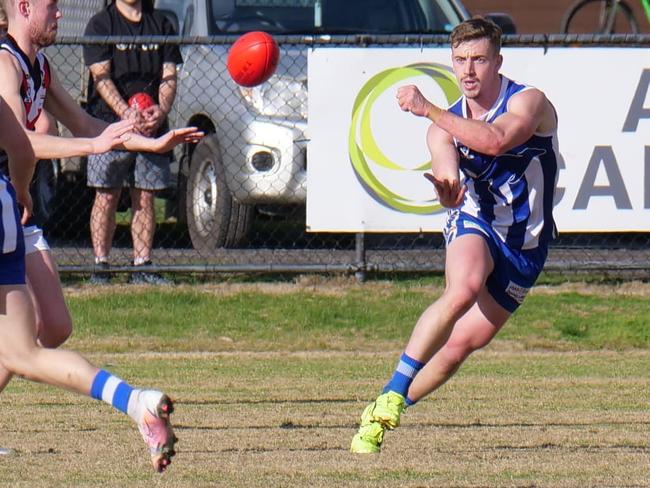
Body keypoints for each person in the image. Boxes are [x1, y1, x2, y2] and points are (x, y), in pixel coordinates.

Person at [0, 0, 202, 454]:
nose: (59, 16)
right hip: (9, 199)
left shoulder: (40, 66)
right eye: (52, 7)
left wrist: (151, 142)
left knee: (50, 328)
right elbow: (24, 140)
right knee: (22, 346)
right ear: (24, 7)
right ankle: (133, 401)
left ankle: (133, 402)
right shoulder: (4, 63)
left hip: (12, 201)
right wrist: (89, 146)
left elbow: (89, 124)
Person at [350, 17, 560, 453]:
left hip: (526, 243)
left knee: (464, 343)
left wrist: (430, 108)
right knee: (462, 288)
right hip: (477, 222)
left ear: (498, 62)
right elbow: (447, 172)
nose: (468, 70)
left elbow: (496, 140)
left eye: (479, 60)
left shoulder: (529, 102)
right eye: (460, 60)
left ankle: (387, 408)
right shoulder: (441, 128)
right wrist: (448, 193)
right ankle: (392, 390)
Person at [0, 92, 178, 472]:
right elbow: (21, 146)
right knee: (21, 354)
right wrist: (20, 189)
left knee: (25, 349)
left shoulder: (17, 63)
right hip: (4, 209)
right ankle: (135, 401)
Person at [83, 0, 183, 285]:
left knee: (145, 195)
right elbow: (101, 77)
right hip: (109, 125)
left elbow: (169, 75)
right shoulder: (101, 24)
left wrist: (160, 110)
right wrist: (125, 113)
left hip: (151, 126)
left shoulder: (162, 25)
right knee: (106, 195)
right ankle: (101, 265)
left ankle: (142, 265)